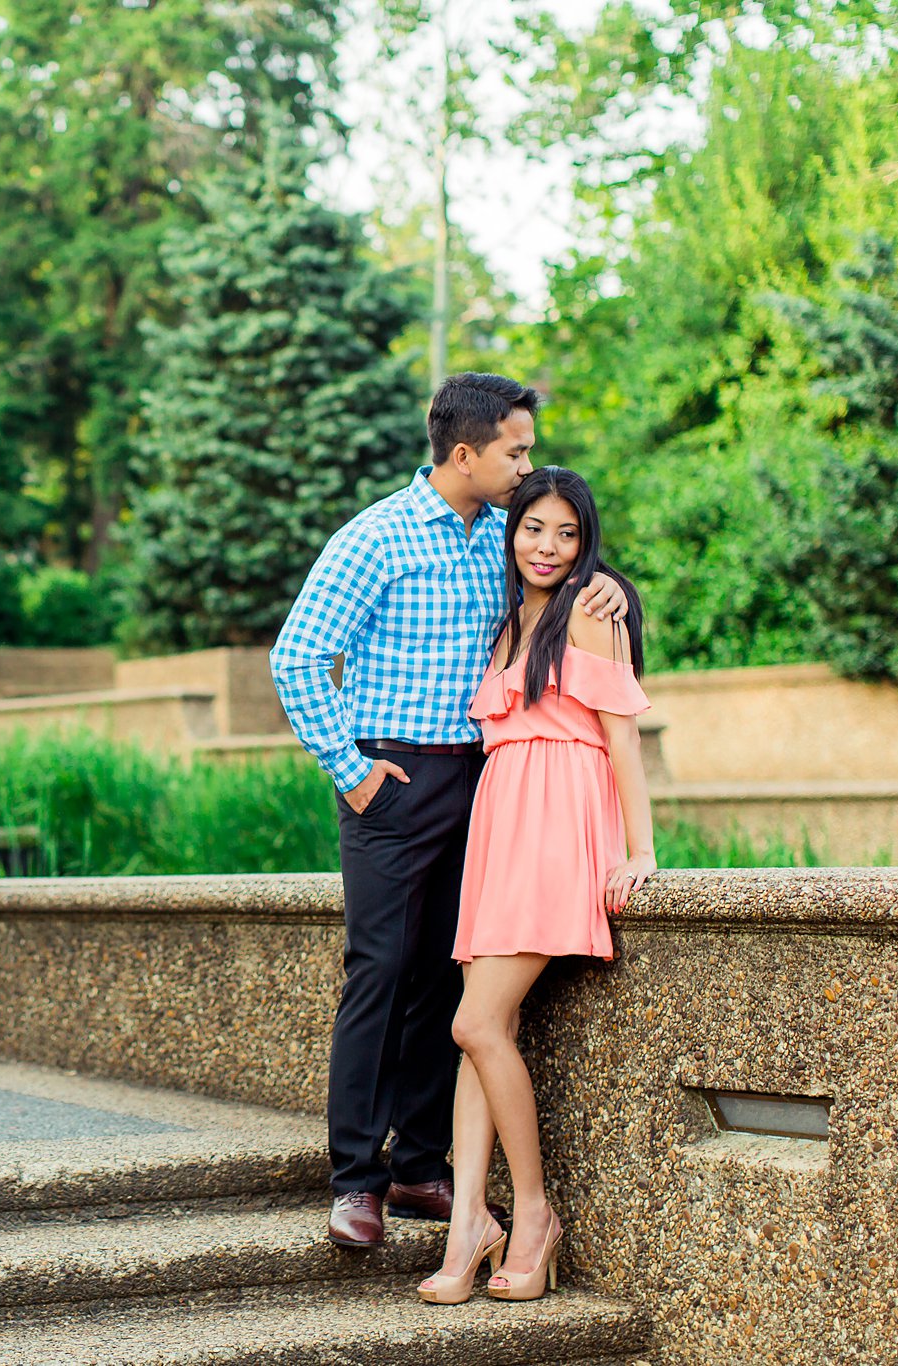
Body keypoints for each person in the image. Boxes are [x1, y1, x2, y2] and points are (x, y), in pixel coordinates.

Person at [270, 373, 628, 1251]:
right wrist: (349, 771)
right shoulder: (377, 537)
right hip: (392, 779)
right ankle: (355, 1178)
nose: (527, 462)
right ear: (465, 453)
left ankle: (421, 1164)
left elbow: (552, 572)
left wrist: (606, 584)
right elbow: (296, 657)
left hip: (486, 781)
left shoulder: (495, 536)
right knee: (381, 974)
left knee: (445, 977)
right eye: (516, 448)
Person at [414, 465, 656, 1306]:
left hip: (559, 821)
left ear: (585, 543)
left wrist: (641, 851)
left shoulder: (592, 615)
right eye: (532, 529)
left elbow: (623, 739)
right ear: (508, 532)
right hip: (502, 822)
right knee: (486, 1030)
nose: (547, 547)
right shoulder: (504, 622)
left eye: (566, 533)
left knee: (475, 1022)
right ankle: (468, 1224)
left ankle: (536, 1215)